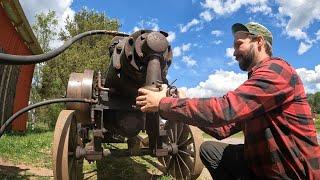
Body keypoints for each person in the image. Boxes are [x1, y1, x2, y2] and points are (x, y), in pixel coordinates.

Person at [136, 22, 320, 179]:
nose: (234, 53)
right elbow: (222, 129)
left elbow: (225, 109)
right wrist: (182, 101)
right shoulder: (256, 84)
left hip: (293, 172)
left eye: (238, 44)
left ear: (259, 42)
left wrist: (162, 103)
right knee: (209, 150)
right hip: (265, 167)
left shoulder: (276, 70)